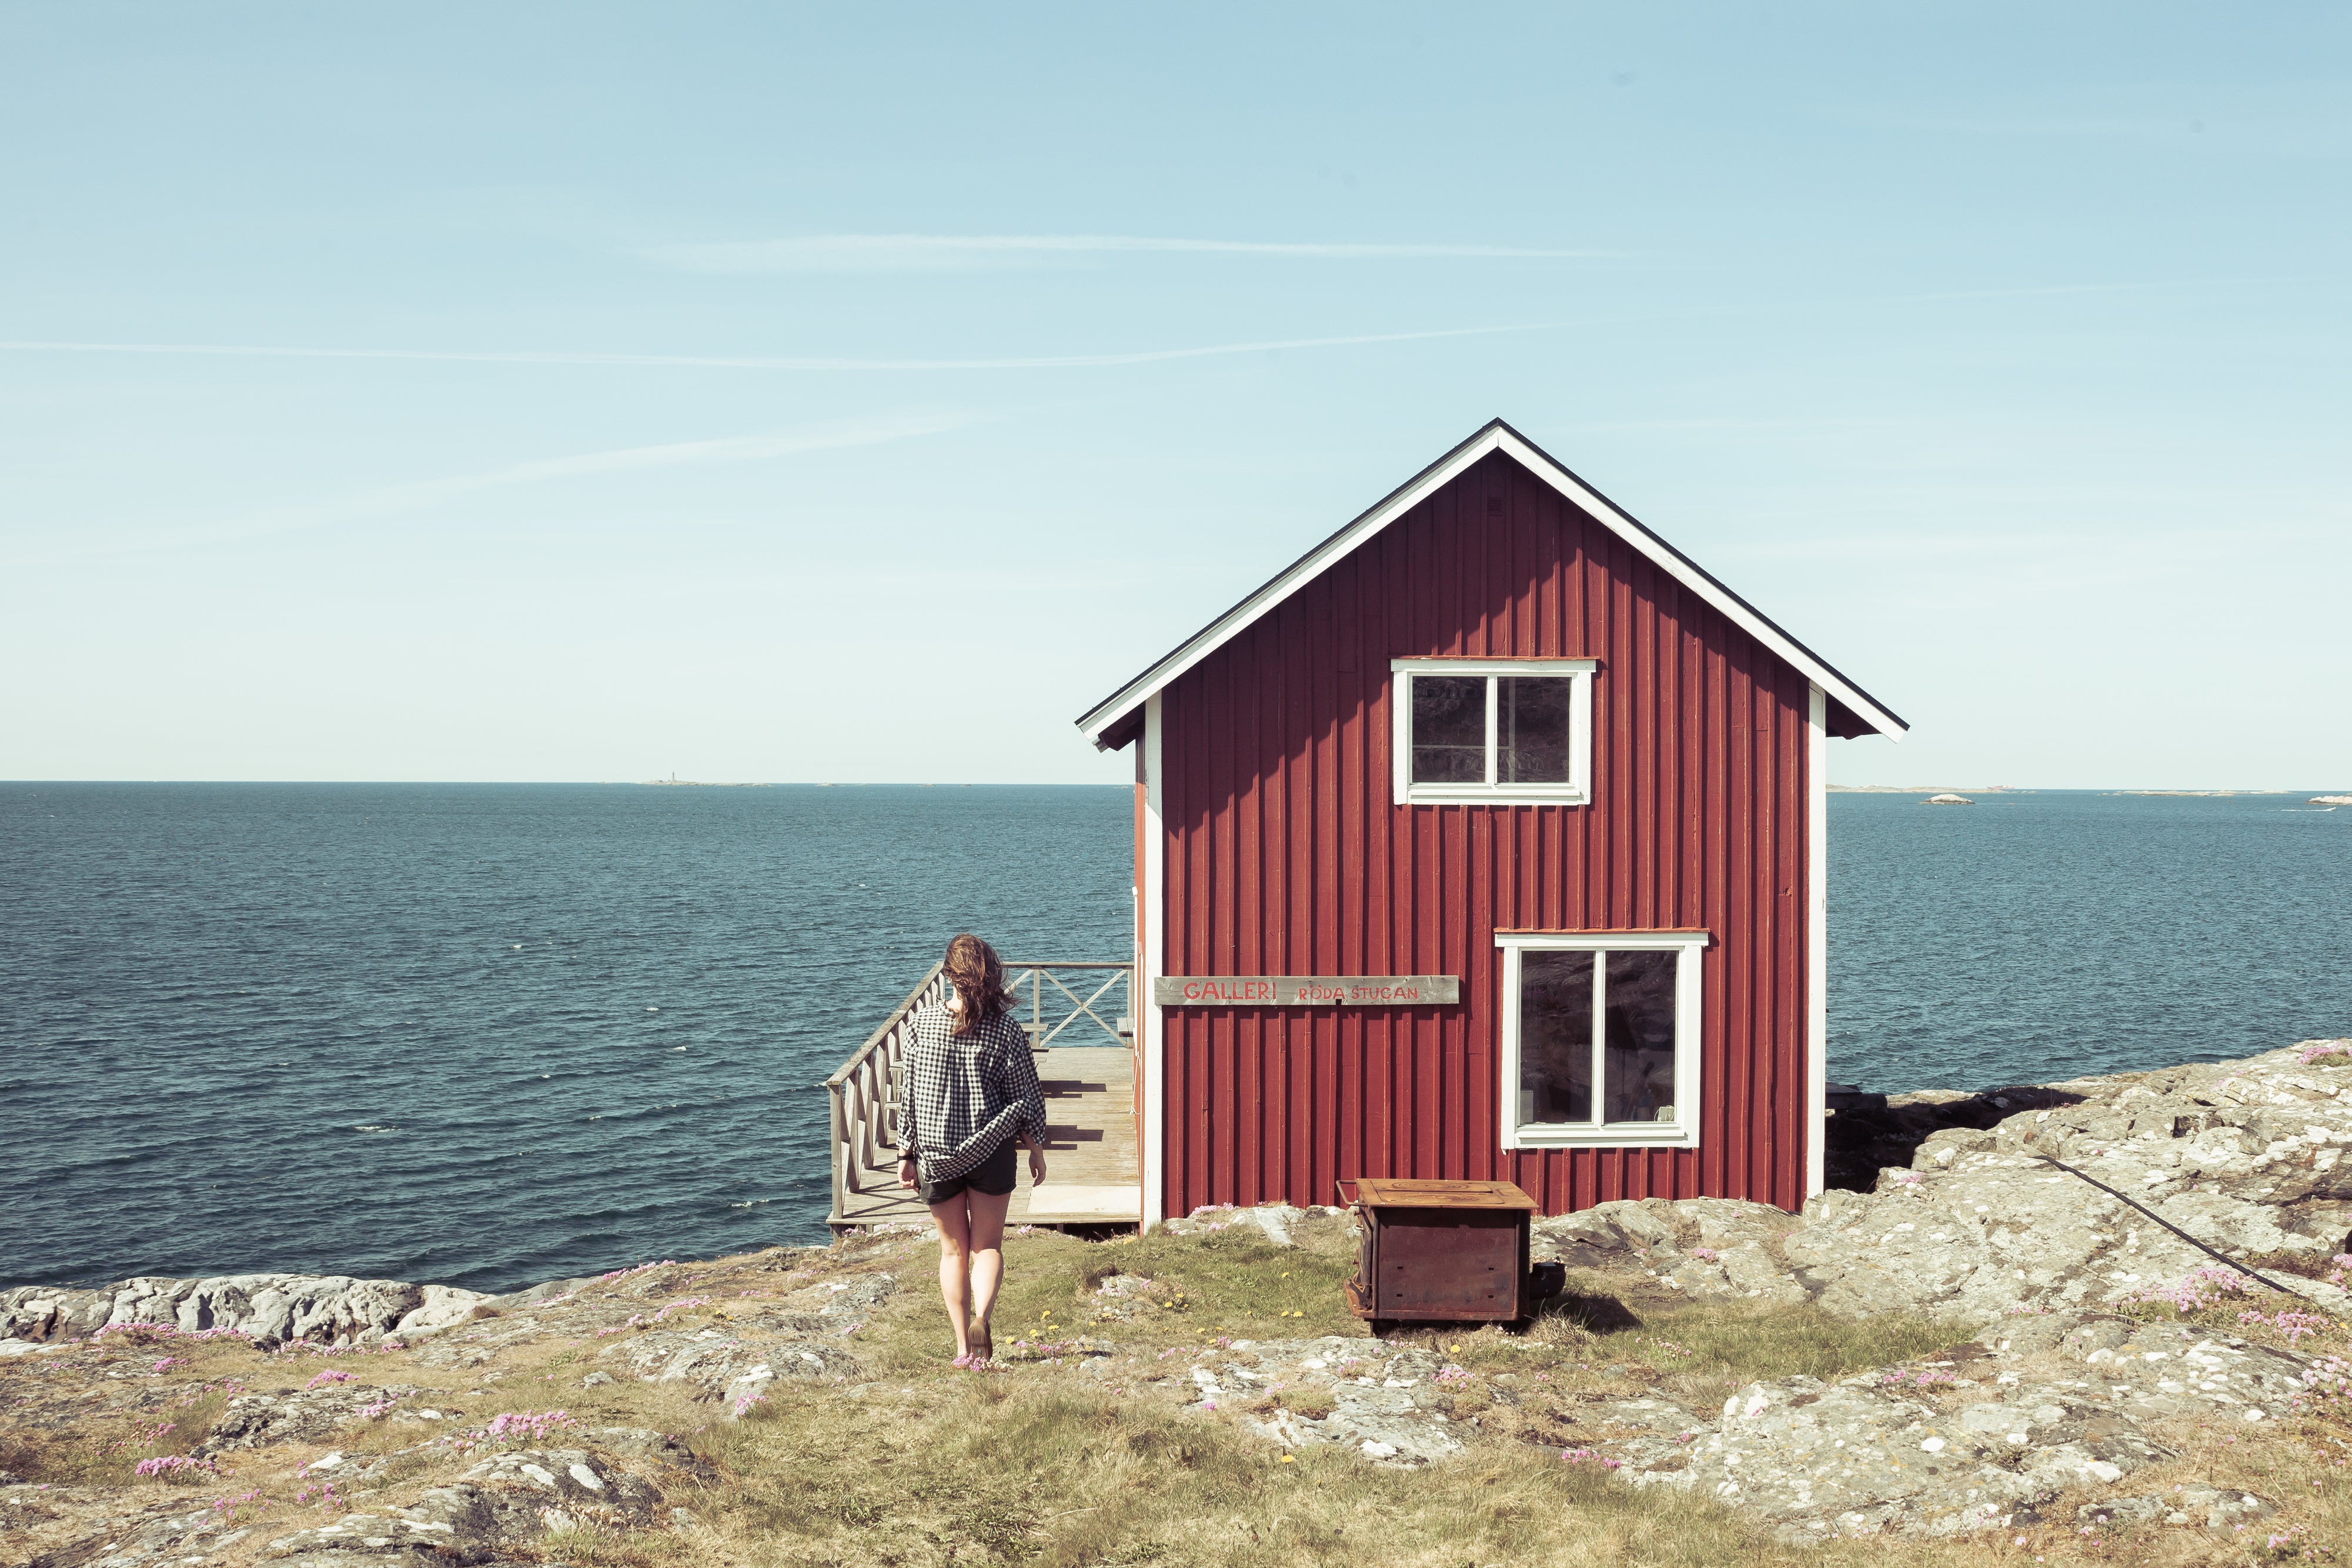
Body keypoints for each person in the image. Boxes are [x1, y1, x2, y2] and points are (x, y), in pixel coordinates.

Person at [896, 933, 1048, 1366]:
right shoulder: (1005, 1030)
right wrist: (1036, 1148)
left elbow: (909, 1094)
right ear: (991, 975)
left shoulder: (922, 1025)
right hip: (992, 1152)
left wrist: (906, 1154)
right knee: (987, 1246)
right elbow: (1026, 1096)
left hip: (938, 1156)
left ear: (948, 975)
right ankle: (983, 1316)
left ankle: (964, 1348)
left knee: (952, 1252)